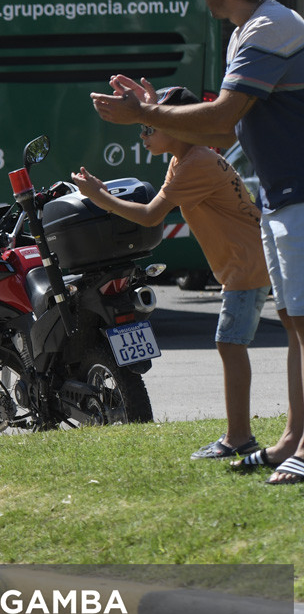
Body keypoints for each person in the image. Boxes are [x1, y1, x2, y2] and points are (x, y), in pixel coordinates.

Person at [91, 0, 304, 485]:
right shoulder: (247, 32)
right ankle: (291, 439)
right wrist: (154, 115)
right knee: (296, 326)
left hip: (300, 196)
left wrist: (144, 112)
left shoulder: (270, 27)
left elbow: (223, 113)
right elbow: (224, 132)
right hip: (283, 198)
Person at [75, 85, 272, 460]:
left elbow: (150, 215)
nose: (144, 133)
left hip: (247, 265)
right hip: (248, 262)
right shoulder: (185, 158)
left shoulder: (194, 163)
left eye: (150, 127)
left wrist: (100, 198)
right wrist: (149, 101)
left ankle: (239, 438)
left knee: (231, 345)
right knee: (231, 345)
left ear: (178, 128)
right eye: (143, 126)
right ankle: (239, 434)